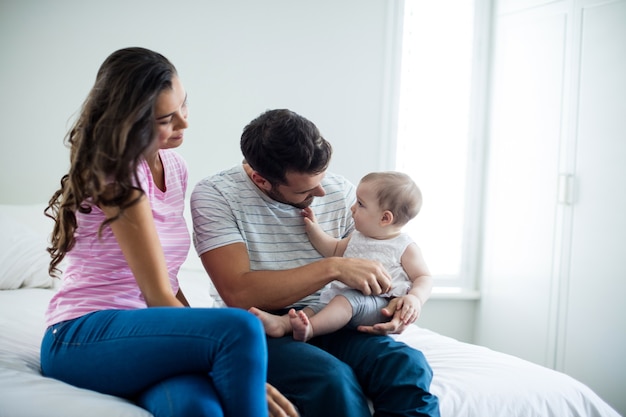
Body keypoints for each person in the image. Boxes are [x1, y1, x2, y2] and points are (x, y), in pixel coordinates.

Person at [40, 47, 297, 417]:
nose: (184, 123)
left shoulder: (174, 167)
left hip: (144, 334)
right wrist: (236, 362)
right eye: (166, 118)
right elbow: (157, 292)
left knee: (197, 408)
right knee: (240, 328)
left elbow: (169, 282)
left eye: (183, 105)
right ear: (131, 123)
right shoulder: (118, 178)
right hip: (81, 336)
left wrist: (208, 345)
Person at [190, 108, 440, 417]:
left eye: (321, 179)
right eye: (306, 189)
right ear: (261, 180)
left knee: (407, 366)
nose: (321, 192)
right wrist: (333, 267)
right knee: (331, 379)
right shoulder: (216, 195)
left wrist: (400, 302)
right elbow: (239, 294)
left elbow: (378, 262)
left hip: (335, 317)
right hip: (262, 327)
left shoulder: (340, 190)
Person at [251, 171, 432, 342]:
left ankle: (310, 330)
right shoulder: (357, 237)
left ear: (385, 218)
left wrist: (415, 298)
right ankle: (283, 324)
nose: (352, 208)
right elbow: (333, 250)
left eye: (360, 204)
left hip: (380, 305)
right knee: (318, 306)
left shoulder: (404, 246)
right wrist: (314, 228)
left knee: (343, 301)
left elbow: (423, 277)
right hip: (343, 300)